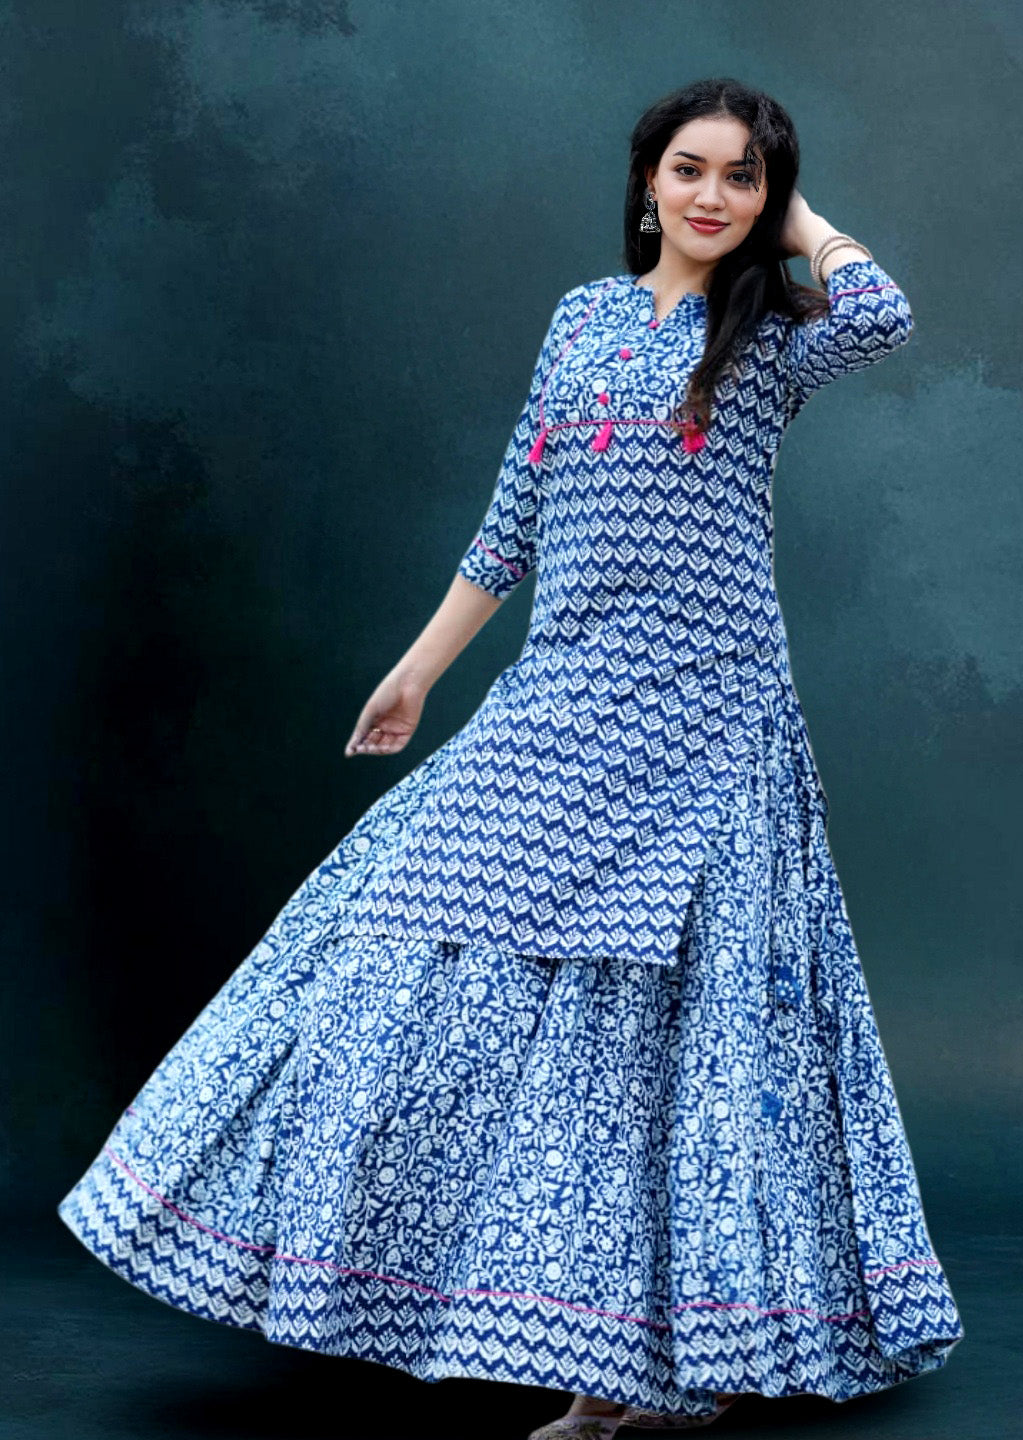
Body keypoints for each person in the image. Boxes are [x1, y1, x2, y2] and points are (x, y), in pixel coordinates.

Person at [58, 77, 964, 1433]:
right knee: (395, 929)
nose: (713, 195)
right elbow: (514, 517)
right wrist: (419, 672)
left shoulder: (773, 333)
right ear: (646, 179)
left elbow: (883, 313)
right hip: (560, 696)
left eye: (743, 177)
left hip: (705, 717)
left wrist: (799, 220)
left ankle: (637, 1377)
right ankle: (423, 1290)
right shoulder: (582, 320)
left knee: (659, 1021)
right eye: (690, 168)